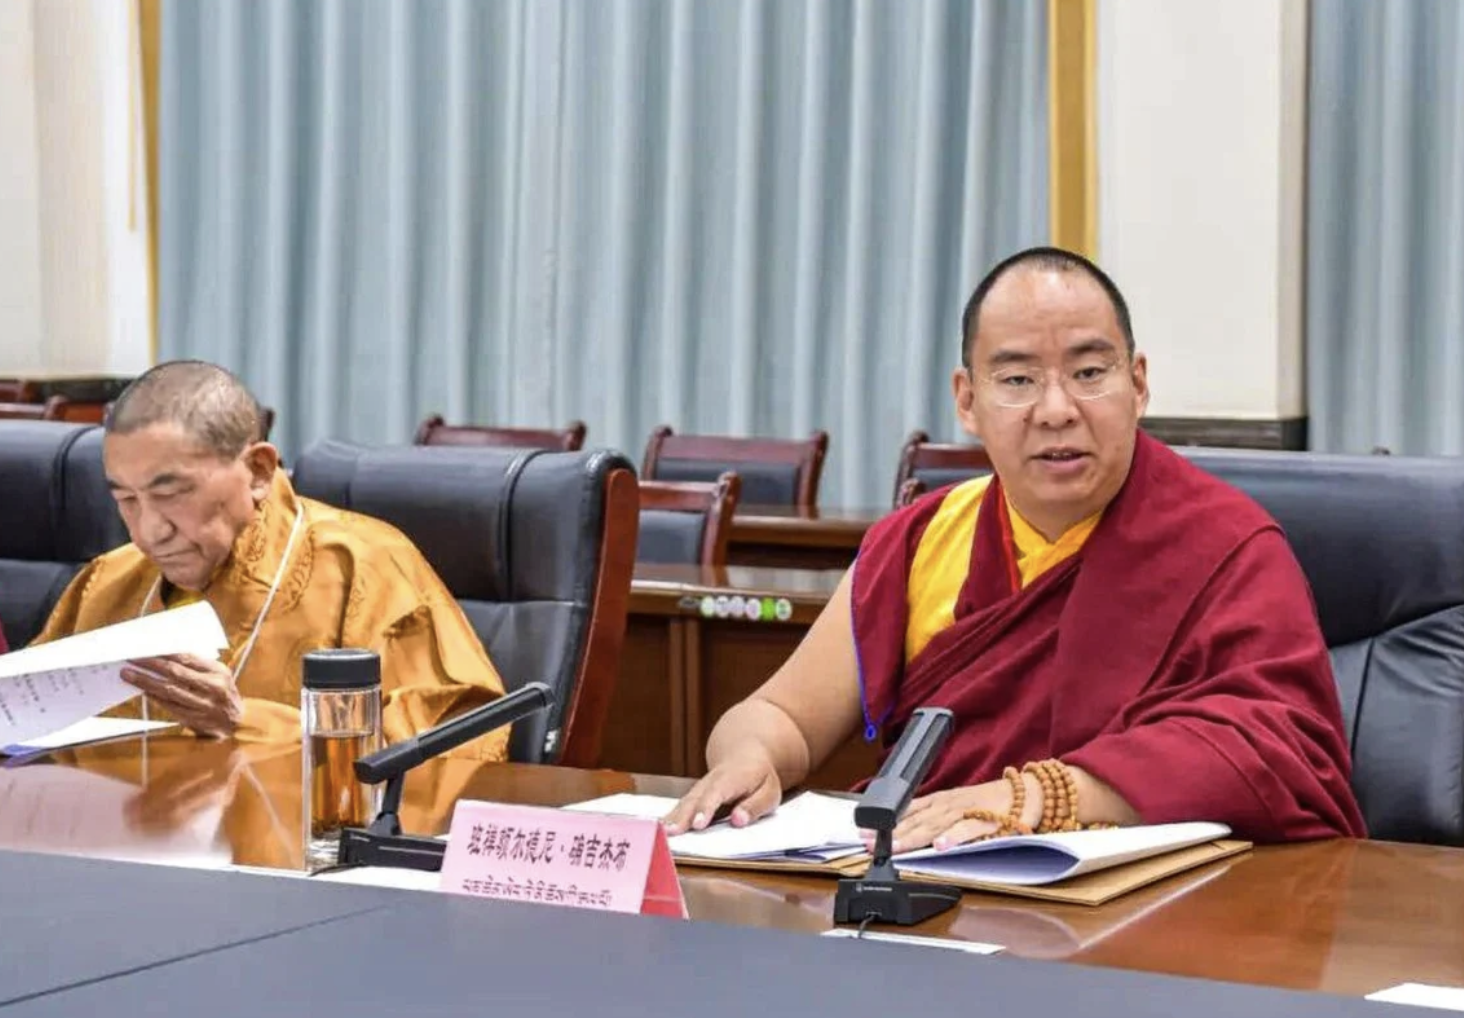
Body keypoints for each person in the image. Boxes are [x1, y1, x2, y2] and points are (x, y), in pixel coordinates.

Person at [665, 247, 1365, 848]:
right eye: (1018, 380)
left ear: (1139, 383)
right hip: (941, 892)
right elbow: (783, 713)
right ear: (967, 400)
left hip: (1153, 922)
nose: (1057, 408)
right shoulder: (922, 540)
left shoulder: (1227, 545)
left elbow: (1282, 754)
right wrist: (750, 756)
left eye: (1090, 373)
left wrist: (1045, 797)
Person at [33, 360, 509, 758]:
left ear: (259, 470)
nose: (149, 532)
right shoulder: (109, 582)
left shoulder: (363, 568)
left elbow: (464, 743)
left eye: (172, 493)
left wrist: (246, 720)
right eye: (127, 500)